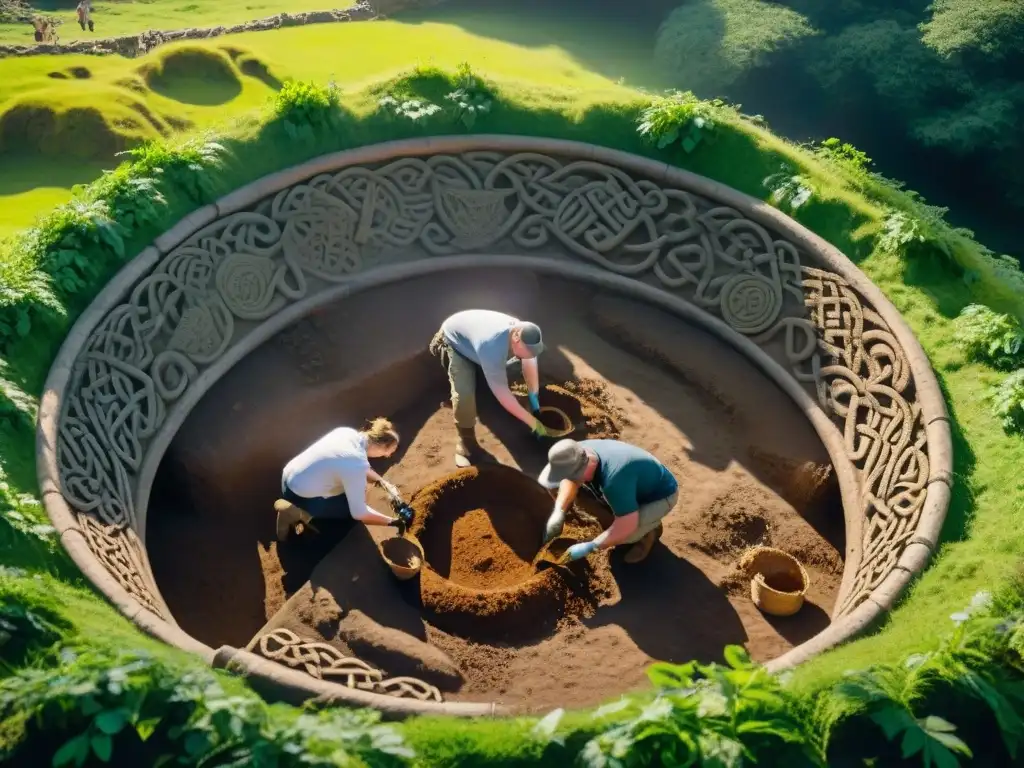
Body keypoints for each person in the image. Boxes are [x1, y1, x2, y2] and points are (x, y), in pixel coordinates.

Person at [428, 309, 551, 467]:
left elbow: (530, 368)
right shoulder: (491, 345)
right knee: (465, 395)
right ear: (515, 337)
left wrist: (535, 407)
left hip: (475, 341)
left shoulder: (525, 337)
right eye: (526, 351)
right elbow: (503, 394)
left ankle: (482, 377)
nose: (529, 354)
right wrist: (534, 424)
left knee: (510, 368)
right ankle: (465, 445)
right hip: (454, 343)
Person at [538, 438, 679, 565]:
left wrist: (592, 546)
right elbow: (569, 480)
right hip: (629, 485)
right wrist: (559, 511)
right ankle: (624, 510)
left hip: (660, 496)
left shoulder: (614, 480)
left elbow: (626, 524)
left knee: (627, 533)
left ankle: (650, 532)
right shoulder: (577, 451)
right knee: (581, 496)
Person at [274, 417, 412, 541]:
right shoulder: (356, 463)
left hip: (288, 478)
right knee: (347, 514)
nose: (387, 456)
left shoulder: (346, 433)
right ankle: (298, 512)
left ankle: (291, 505)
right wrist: (393, 522)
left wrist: (383, 483)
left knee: (349, 486)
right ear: (382, 446)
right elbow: (359, 513)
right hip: (301, 496)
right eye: (388, 452)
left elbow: (352, 464)